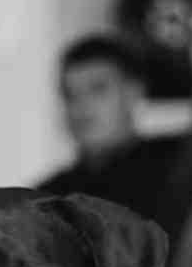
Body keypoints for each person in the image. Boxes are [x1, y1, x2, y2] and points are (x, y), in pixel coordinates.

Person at [37, 34, 184, 223]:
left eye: (97, 89)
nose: (81, 106)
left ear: (133, 92)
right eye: (69, 94)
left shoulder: (179, 167)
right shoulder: (45, 200)